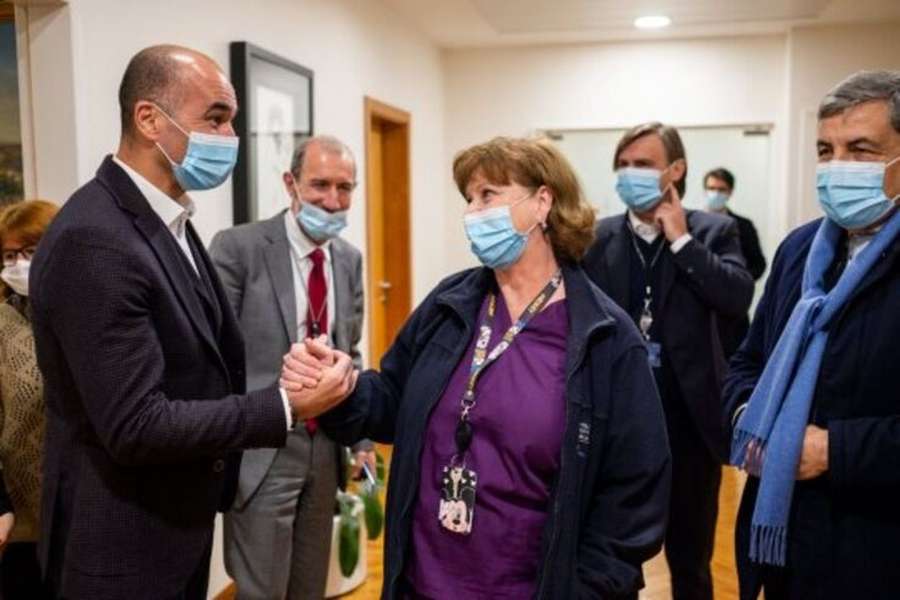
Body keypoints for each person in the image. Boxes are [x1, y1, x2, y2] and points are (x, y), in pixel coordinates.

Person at [28, 45, 354, 600]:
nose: (229, 139)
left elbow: (202, 357)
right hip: (121, 547)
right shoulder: (96, 238)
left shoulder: (170, 220)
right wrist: (284, 405)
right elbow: (136, 424)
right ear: (149, 118)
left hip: (175, 526)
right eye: (216, 118)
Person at [282, 137, 672, 599]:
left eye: (488, 195)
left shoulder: (605, 337)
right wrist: (341, 386)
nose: (472, 212)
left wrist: (587, 587)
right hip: (422, 581)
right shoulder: (452, 304)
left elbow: (634, 492)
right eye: (469, 197)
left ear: (542, 201)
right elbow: (390, 400)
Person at [724, 70, 900, 600]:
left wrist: (834, 450)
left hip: (877, 545)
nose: (837, 166)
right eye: (825, 150)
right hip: (787, 541)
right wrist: (748, 421)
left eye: (861, 150)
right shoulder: (799, 250)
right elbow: (747, 362)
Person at [581, 122, 754, 600]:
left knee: (691, 560)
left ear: (675, 170)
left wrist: (682, 242)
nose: (629, 173)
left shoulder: (714, 230)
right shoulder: (598, 238)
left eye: (643, 164)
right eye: (623, 164)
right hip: (615, 423)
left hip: (690, 425)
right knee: (613, 561)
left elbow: (737, 297)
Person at [209, 136, 374, 600]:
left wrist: (360, 437)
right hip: (262, 447)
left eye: (345, 188)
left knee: (310, 586)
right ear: (291, 184)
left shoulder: (347, 260)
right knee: (263, 590)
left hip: (325, 449)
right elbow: (215, 357)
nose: (333, 200)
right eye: (320, 185)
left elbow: (351, 353)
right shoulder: (239, 249)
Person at [0, 200, 58, 599]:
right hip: (19, 523)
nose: (19, 263)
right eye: (8, 255)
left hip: (81, 516)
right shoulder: (2, 324)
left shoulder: (85, 316)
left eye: (31, 252)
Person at [704, 167, 768, 356]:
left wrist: (737, 281)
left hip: (733, 309)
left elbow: (759, 263)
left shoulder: (743, 226)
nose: (715, 193)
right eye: (711, 188)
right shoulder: (691, 223)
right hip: (700, 308)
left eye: (721, 189)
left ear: (730, 192)